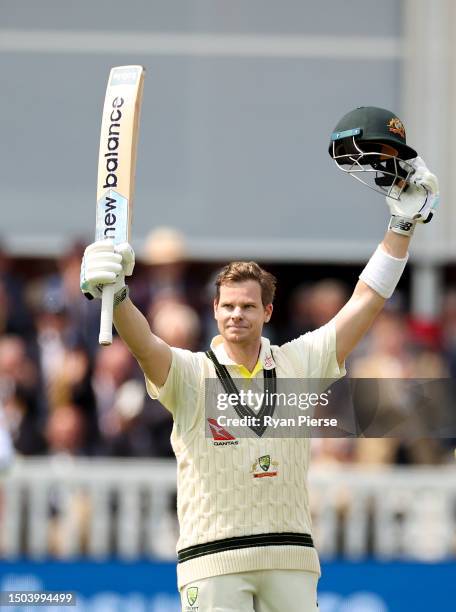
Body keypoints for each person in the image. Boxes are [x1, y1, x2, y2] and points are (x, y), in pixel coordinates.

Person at [80, 106, 439, 611]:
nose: (237, 315)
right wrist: (115, 296)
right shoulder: (190, 374)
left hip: (290, 558)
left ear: (268, 310)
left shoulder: (299, 362)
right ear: (214, 309)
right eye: (228, 306)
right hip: (211, 560)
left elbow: (366, 300)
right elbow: (144, 343)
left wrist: (402, 226)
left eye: (248, 306)